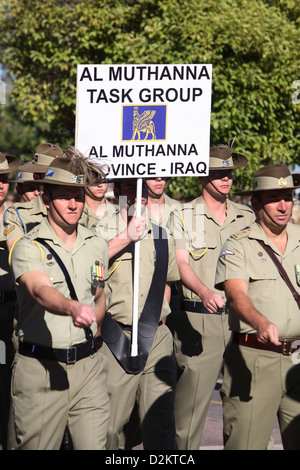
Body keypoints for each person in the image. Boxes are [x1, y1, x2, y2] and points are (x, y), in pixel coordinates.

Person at [7, 152, 110, 450]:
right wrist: (72, 307)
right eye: (65, 197)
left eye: (78, 196)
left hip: (88, 369)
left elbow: (99, 295)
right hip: (41, 369)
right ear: (47, 199)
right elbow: (40, 290)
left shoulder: (97, 245)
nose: (74, 205)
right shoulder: (29, 247)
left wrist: (95, 340)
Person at [173, 144, 255, 450]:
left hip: (241, 322)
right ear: (202, 175)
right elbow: (180, 263)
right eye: (219, 173)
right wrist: (205, 291)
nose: (226, 179)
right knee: (189, 416)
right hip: (199, 319)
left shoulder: (246, 215)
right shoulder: (183, 214)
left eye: (229, 173)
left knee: (242, 410)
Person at [215, 163, 300, 450]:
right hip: (255, 360)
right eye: (274, 198)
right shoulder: (239, 245)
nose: (283, 205)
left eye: (288, 197)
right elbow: (237, 296)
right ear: (255, 202)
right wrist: (261, 322)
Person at [100, 178, 180, 450]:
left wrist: (157, 323)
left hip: (155, 335)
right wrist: (126, 237)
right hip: (114, 337)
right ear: (118, 192)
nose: (139, 194)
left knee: (159, 424)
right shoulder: (97, 233)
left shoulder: (161, 234)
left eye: (143, 189)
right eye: (131, 188)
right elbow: (89, 271)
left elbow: (167, 283)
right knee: (110, 428)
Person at [1, 143, 64, 251]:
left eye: (61, 173)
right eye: (49, 173)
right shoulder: (17, 215)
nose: (54, 179)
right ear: (36, 177)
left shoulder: (77, 209)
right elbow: (18, 255)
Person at [0, 151, 20, 450]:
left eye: (4, 179)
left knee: (6, 385)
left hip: (8, 310)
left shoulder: (15, 217)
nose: (0, 185)